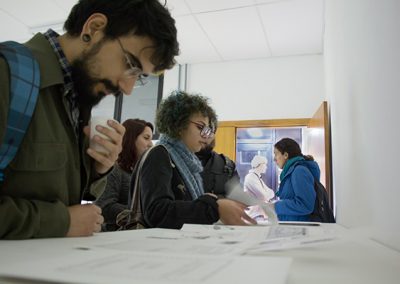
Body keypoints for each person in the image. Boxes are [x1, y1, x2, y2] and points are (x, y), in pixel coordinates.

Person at [0, 0, 179, 239]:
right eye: (130, 65)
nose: (128, 88)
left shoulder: (76, 99)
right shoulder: (7, 75)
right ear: (93, 28)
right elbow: (66, 216)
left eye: (139, 77)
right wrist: (61, 222)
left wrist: (99, 169)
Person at [131, 91, 255, 229]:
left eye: (207, 130)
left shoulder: (188, 163)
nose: (206, 136)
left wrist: (206, 202)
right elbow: (157, 212)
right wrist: (212, 208)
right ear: (178, 124)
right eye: (200, 127)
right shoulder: (159, 154)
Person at [96, 119, 153, 231]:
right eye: (146, 138)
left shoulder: (143, 172)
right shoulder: (114, 169)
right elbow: (105, 206)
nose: (151, 144)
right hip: (114, 237)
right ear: (131, 139)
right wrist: (141, 212)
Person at [272, 138, 318, 221]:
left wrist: (274, 206)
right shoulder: (290, 172)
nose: (274, 159)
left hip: (301, 228)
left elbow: (305, 205)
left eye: (276, 154)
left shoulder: (299, 171)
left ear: (285, 155)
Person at [195, 126, 239, 198]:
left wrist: (216, 200)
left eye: (209, 131)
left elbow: (236, 199)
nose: (204, 135)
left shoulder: (228, 166)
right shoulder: (174, 162)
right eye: (199, 128)